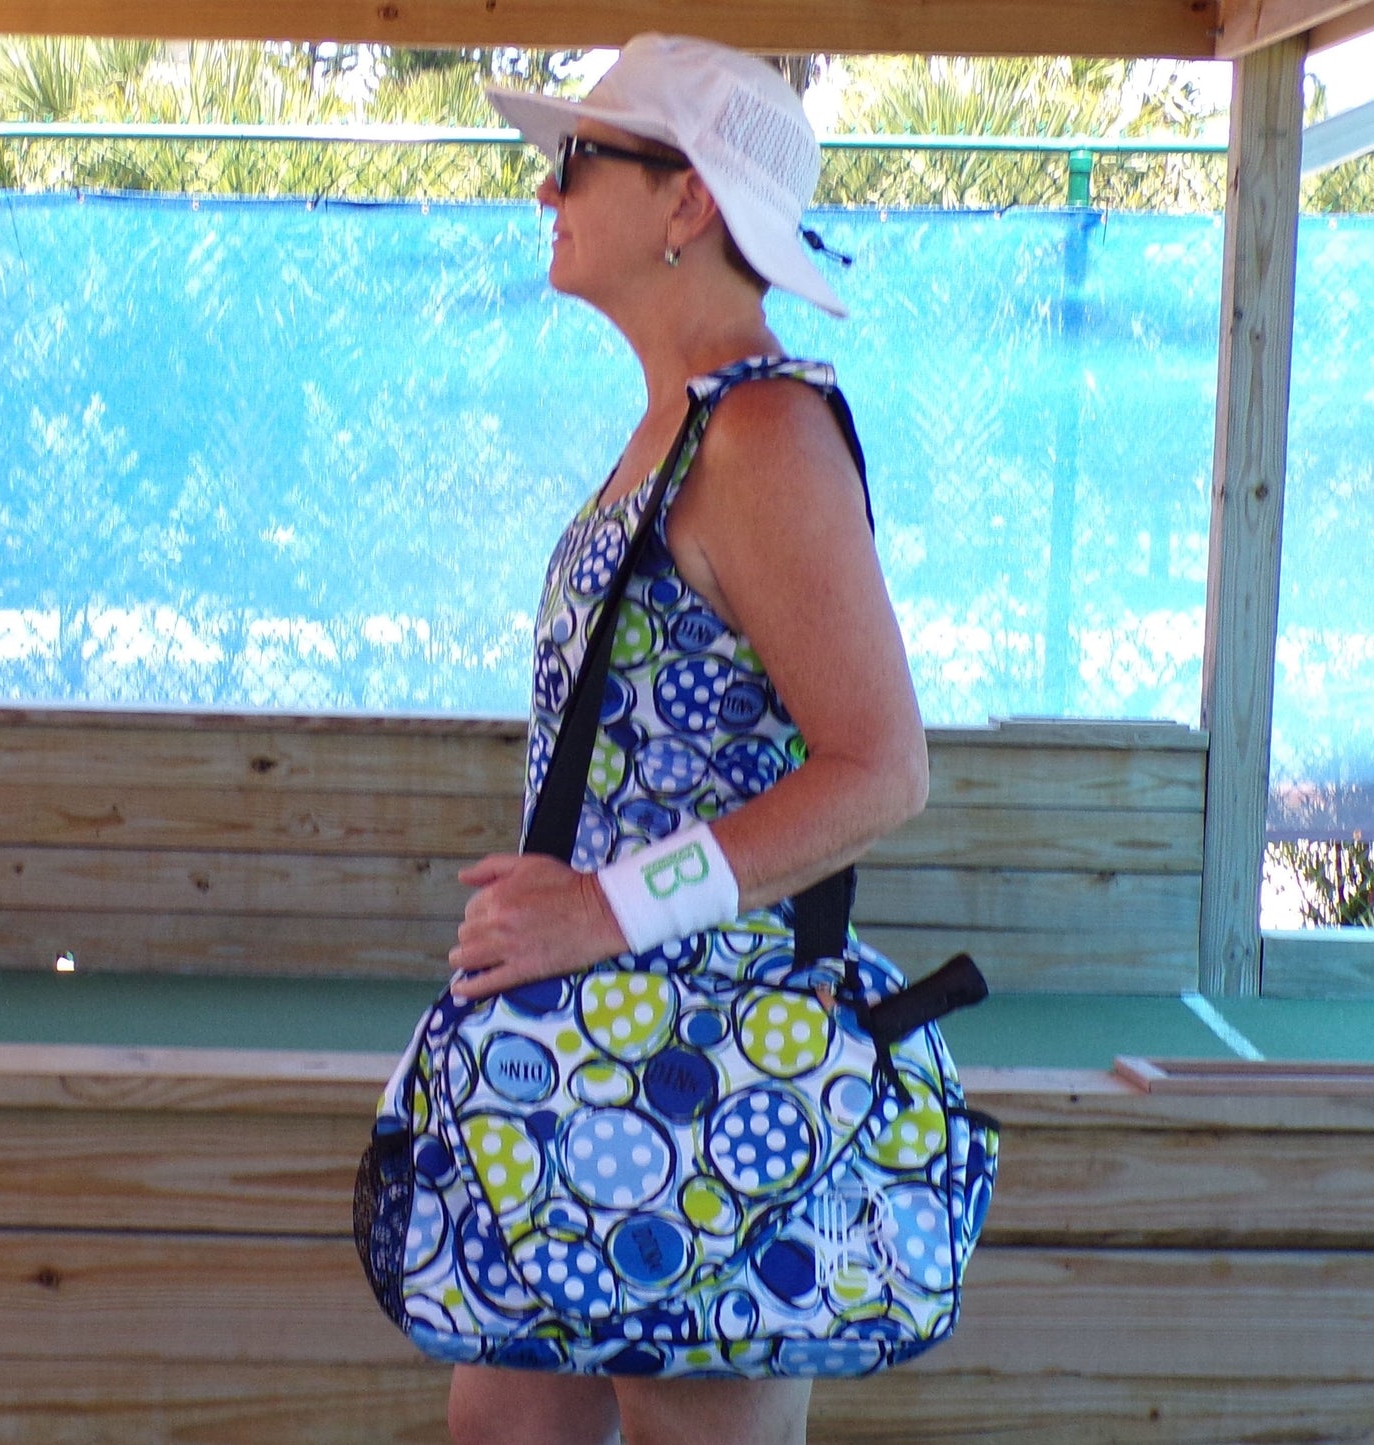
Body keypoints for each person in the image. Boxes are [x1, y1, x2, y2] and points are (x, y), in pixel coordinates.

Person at [445, 33, 929, 1445]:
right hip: (586, 1031)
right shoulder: (676, 426)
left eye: (576, 160)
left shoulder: (763, 433)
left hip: (706, 1050)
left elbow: (880, 768)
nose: (548, 189)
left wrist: (602, 905)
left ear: (685, 205)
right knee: (508, 1419)